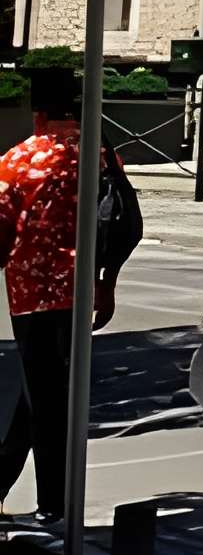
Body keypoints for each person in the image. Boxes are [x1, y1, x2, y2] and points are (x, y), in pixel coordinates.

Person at [0, 65, 131, 530]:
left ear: (37, 112)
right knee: (47, 392)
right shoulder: (102, 156)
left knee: (46, 398)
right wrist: (106, 281)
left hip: (32, 295)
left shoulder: (19, 161)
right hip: (81, 293)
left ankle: (54, 504)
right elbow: (126, 224)